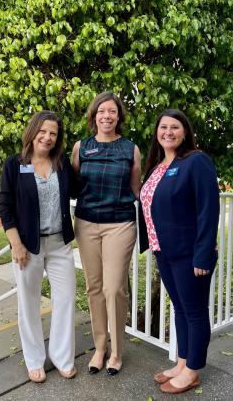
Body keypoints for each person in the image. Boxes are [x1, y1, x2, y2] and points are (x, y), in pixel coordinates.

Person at [139, 108, 219, 394]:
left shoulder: (195, 162)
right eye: (163, 127)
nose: (168, 132)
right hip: (164, 250)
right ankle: (183, 361)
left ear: (185, 132)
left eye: (175, 127)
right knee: (181, 309)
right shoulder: (158, 166)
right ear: (157, 133)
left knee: (195, 312)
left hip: (190, 253)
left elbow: (208, 210)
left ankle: (193, 370)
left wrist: (203, 254)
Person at [0, 111, 77, 383]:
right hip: (27, 246)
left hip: (59, 243)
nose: (47, 137)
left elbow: (81, 189)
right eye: (43, 131)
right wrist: (16, 243)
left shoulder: (62, 163)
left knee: (66, 299)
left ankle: (62, 357)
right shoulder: (15, 164)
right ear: (33, 132)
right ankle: (34, 360)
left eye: (53, 133)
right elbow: (5, 207)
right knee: (29, 303)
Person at [72, 92, 141, 375]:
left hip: (120, 224)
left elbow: (137, 190)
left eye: (112, 111)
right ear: (94, 116)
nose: (107, 116)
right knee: (94, 287)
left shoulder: (130, 149)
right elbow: (73, 186)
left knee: (114, 289)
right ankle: (100, 348)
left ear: (119, 117)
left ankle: (117, 351)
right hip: (87, 224)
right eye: (102, 111)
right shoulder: (81, 147)